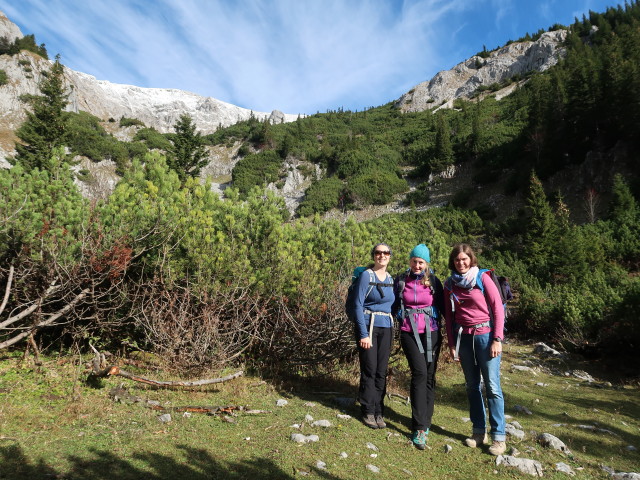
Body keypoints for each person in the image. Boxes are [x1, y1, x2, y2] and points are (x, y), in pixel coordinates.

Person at [444, 243, 507, 456]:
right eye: (457, 260)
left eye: (464, 259)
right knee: (472, 386)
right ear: (452, 262)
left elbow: (498, 309)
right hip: (464, 339)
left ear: (471, 259)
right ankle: (479, 432)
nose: (461, 263)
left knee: (492, 387)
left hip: (486, 337)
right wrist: (452, 344)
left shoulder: (482, 278)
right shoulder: (450, 284)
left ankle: (499, 437)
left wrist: (497, 339)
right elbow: (449, 317)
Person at [393, 244, 444, 450]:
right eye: (414, 261)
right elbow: (393, 304)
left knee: (430, 375)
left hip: (431, 331)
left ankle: (426, 420)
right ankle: (419, 427)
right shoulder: (401, 281)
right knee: (419, 373)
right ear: (409, 261)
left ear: (426, 263)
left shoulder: (433, 282)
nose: (417, 265)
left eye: (421, 262)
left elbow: (443, 306)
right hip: (408, 331)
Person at [353, 243, 395, 429]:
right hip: (368, 328)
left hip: (386, 327)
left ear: (390, 256)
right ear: (374, 255)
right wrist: (363, 333)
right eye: (378, 253)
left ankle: (379, 410)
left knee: (381, 370)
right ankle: (368, 410)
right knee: (369, 369)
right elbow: (357, 305)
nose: (382, 255)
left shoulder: (391, 279)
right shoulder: (366, 276)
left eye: (385, 253)